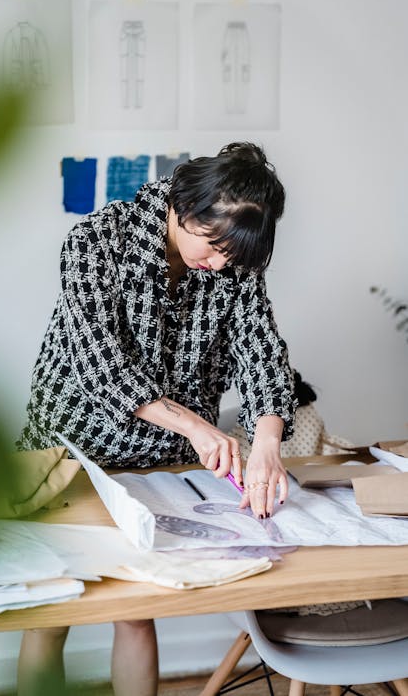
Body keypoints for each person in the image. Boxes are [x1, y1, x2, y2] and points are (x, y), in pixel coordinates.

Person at [16, 142, 297, 696]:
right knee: (53, 605)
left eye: (231, 257)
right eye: (213, 246)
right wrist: (196, 426)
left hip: (153, 468)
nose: (219, 264)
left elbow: (261, 352)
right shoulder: (96, 242)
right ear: (186, 207)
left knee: (136, 609)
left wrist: (267, 441)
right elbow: (100, 365)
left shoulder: (230, 264)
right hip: (68, 450)